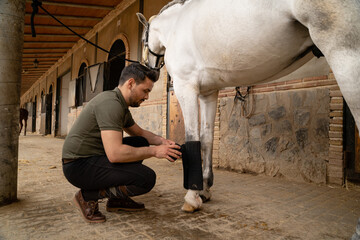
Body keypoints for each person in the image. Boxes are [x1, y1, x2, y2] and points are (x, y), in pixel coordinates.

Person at [62, 63, 181, 223]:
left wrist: (163, 141)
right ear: (130, 83)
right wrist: (155, 151)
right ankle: (87, 196)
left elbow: (139, 133)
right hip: (78, 166)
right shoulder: (111, 104)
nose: (147, 97)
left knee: (139, 141)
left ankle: (116, 200)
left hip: (92, 158)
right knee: (146, 178)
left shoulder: (119, 103)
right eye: (145, 91)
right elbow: (115, 154)